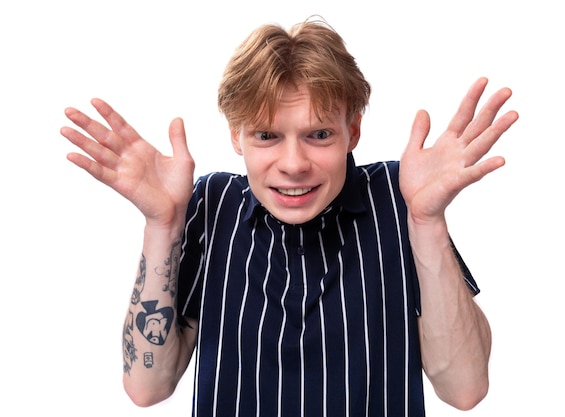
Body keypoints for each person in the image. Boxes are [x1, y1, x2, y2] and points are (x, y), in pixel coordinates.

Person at [61, 18, 518, 417]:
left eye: (318, 134)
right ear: (236, 137)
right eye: (267, 136)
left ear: (352, 131)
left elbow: (465, 390)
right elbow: (146, 388)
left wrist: (428, 222)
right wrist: (162, 226)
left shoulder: (401, 199)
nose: (294, 163)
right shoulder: (212, 204)